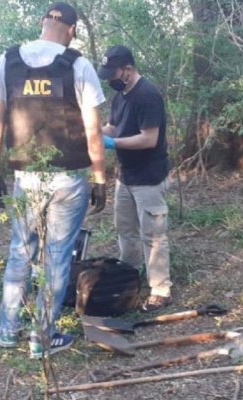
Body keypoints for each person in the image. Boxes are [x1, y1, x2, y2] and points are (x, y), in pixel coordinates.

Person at [0, 2, 106, 358]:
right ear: (71, 30)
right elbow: (93, 131)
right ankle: (41, 338)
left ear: (42, 24)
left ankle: (8, 331)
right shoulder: (78, 64)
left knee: (20, 251)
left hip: (26, 178)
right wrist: (100, 178)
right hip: (68, 179)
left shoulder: (8, 62)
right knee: (56, 257)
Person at [97, 45, 173, 312]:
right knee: (125, 230)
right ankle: (130, 275)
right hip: (125, 177)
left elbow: (149, 138)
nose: (110, 80)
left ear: (127, 70)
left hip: (148, 178)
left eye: (113, 74)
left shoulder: (148, 95)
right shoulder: (121, 96)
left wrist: (111, 143)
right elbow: (114, 126)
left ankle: (161, 289)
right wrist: (96, 132)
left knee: (152, 234)